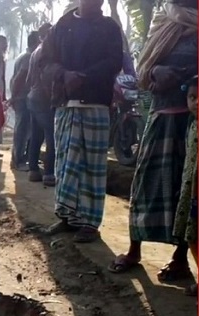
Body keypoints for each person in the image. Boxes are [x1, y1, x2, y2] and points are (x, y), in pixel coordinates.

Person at [109, 0, 197, 276]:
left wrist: (185, 80)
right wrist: (157, 72)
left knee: (185, 193)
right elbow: (145, 70)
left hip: (193, 125)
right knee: (145, 185)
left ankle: (180, 259)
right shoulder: (163, 21)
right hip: (161, 118)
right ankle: (134, 251)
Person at [39, 0, 123, 243]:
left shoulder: (109, 27)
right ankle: (67, 216)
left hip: (95, 104)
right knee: (65, 164)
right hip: (66, 105)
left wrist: (84, 78)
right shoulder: (62, 25)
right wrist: (63, 75)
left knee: (92, 168)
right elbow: (45, 61)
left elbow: (114, 62)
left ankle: (89, 223)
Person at [172, 75, 197, 295]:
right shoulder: (190, 125)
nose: (196, 102)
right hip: (191, 193)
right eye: (192, 97)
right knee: (191, 237)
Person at [26, 25, 56, 186]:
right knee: (51, 136)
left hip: (33, 97)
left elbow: (29, 78)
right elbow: (47, 77)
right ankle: (50, 172)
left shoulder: (35, 52)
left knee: (36, 135)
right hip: (44, 99)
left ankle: (33, 170)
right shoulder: (48, 50)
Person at [10, 31, 40, 171]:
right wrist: (15, 97)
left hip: (22, 97)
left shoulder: (24, 55)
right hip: (22, 98)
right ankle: (18, 160)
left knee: (24, 129)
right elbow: (19, 79)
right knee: (22, 130)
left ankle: (20, 158)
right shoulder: (28, 57)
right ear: (35, 42)